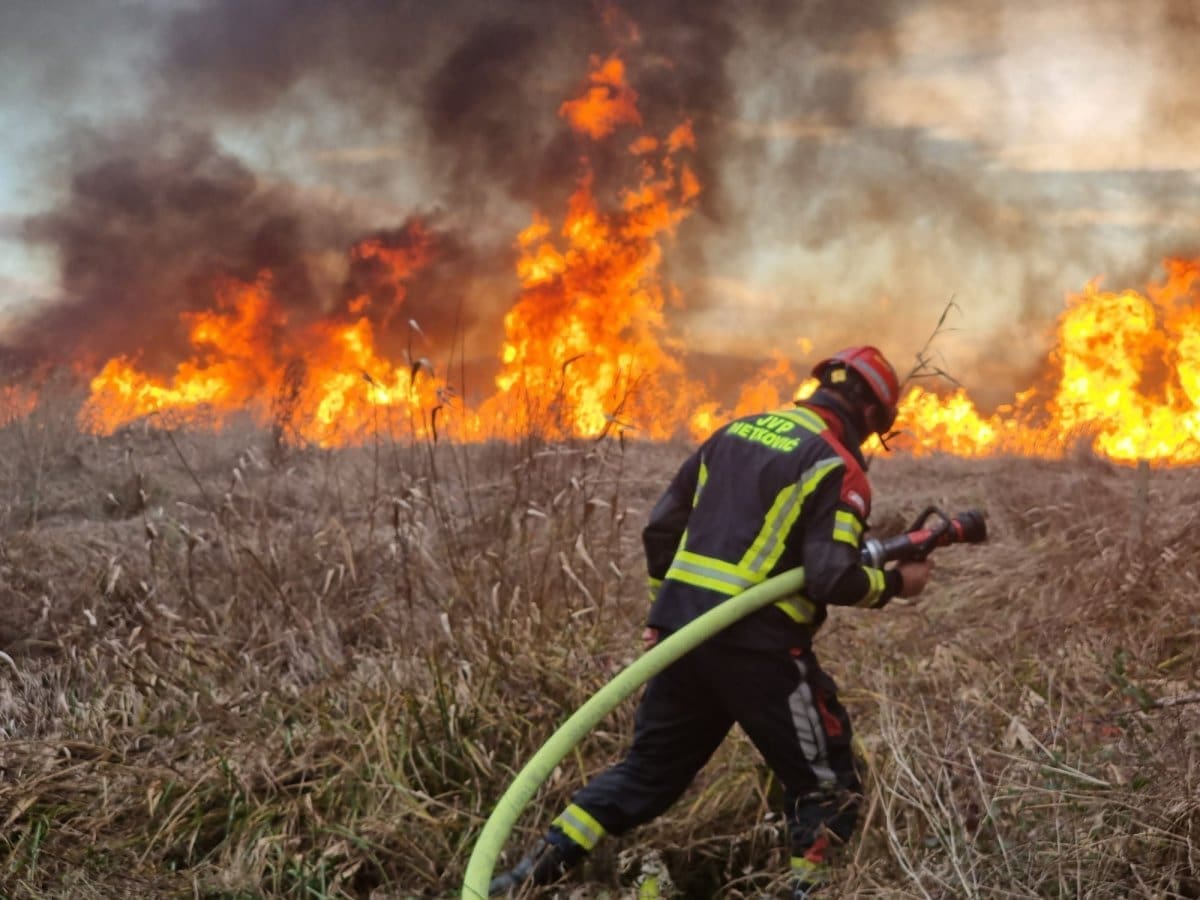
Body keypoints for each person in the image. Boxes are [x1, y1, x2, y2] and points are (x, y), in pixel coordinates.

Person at [489, 346, 933, 898]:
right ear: (870, 411)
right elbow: (830, 578)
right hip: (761, 655)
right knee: (826, 786)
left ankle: (522, 878)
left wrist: (665, 616)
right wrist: (897, 586)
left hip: (684, 640)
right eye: (878, 427)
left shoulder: (734, 434)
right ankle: (812, 890)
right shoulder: (834, 465)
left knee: (646, 774)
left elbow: (661, 531)